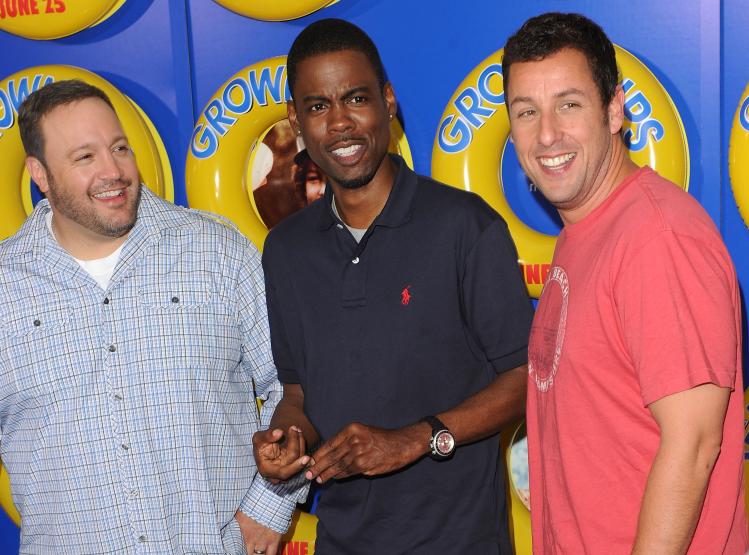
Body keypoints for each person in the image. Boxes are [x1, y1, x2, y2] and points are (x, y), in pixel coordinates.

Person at [254, 18, 534, 554]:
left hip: (461, 543)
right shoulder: (286, 250)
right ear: (295, 120)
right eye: (317, 106)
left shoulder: (464, 227)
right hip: (342, 540)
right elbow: (299, 391)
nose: (339, 123)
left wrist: (416, 439)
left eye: (355, 98)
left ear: (387, 102)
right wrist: (286, 438)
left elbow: (526, 377)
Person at [2, 79, 300, 554]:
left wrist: (269, 509)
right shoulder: (6, 286)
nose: (112, 171)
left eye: (119, 147)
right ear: (39, 174)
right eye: (85, 157)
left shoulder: (214, 250)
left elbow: (292, 383)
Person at [502, 12, 748, 554]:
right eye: (526, 111)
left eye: (569, 104)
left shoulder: (658, 237)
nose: (547, 135)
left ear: (614, 110)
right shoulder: (586, 226)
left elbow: (694, 444)